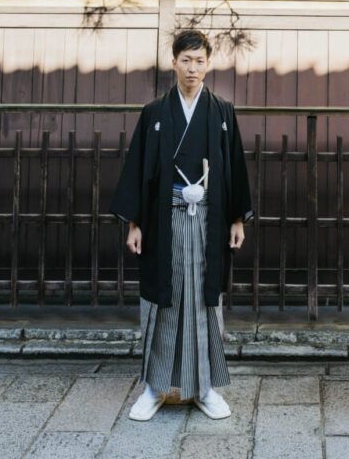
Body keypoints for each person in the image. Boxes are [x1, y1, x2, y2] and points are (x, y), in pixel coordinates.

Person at [111, 30, 252, 422]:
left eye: (199, 60)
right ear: (173, 62)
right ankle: (155, 387)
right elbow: (140, 169)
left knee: (205, 301)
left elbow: (235, 166)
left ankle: (205, 388)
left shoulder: (221, 111)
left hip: (209, 218)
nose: (192, 68)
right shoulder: (155, 113)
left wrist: (238, 217)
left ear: (209, 63)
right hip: (164, 218)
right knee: (163, 298)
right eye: (185, 60)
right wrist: (135, 223)